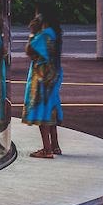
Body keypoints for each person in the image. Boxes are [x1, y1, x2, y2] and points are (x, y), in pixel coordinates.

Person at [23, 9, 63, 158]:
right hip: (54, 74)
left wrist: (33, 32)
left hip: (42, 76)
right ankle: (55, 145)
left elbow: (29, 49)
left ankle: (46, 149)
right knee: (51, 108)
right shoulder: (55, 33)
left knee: (42, 110)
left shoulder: (44, 35)